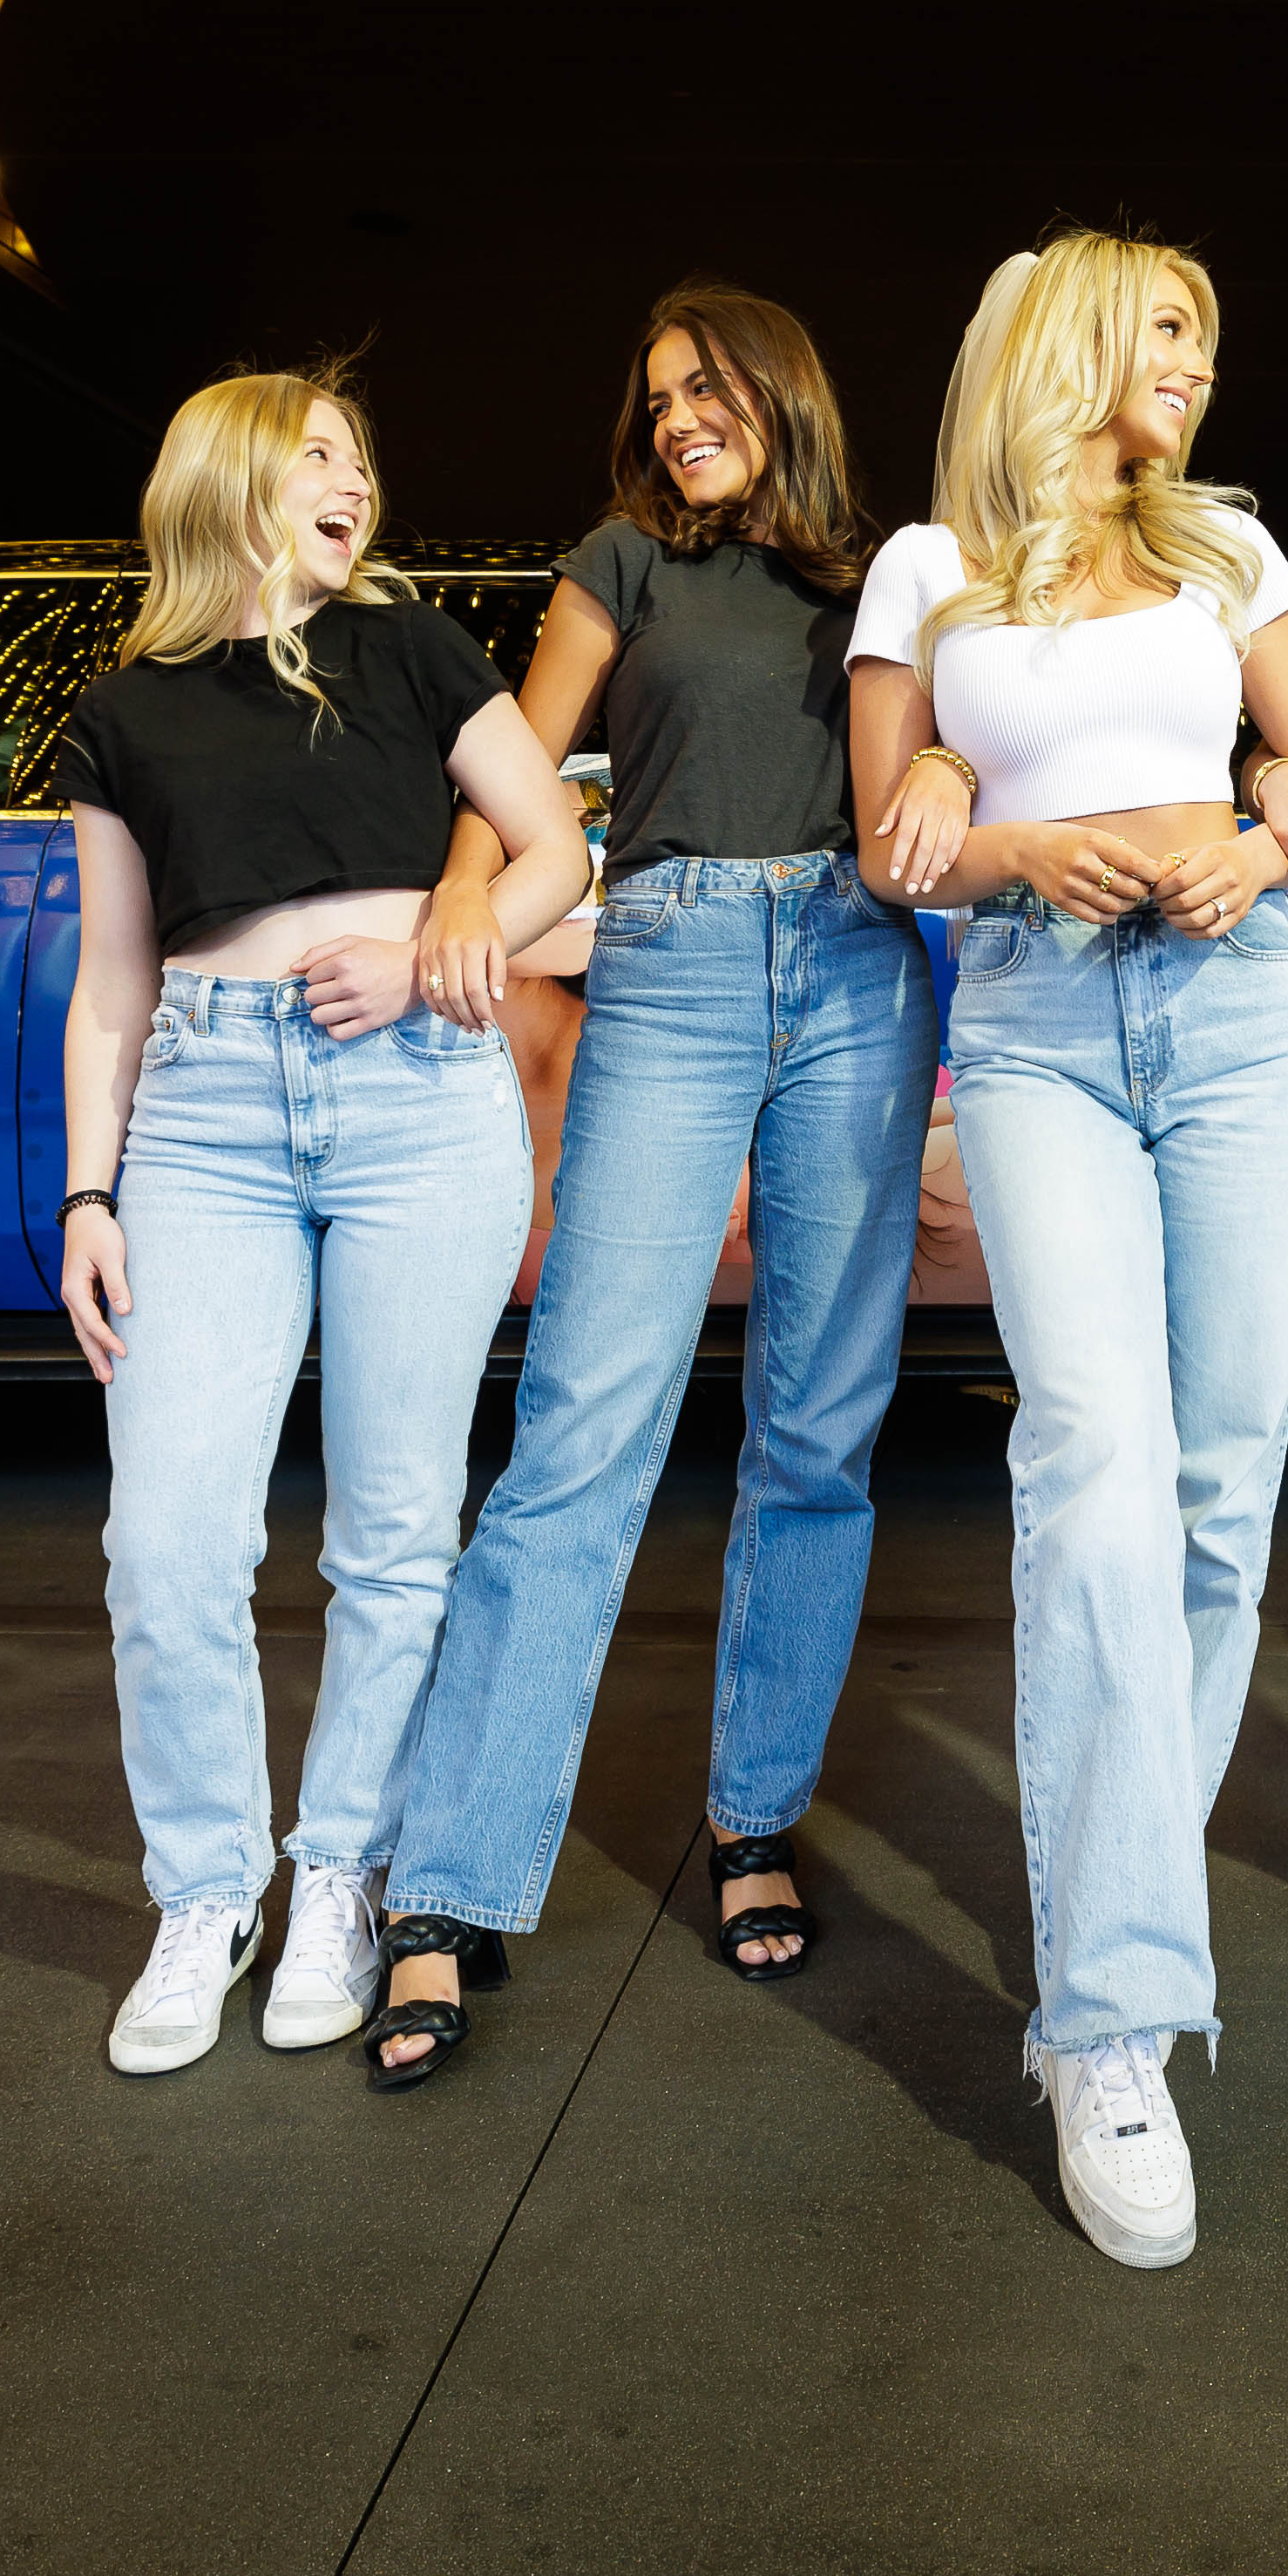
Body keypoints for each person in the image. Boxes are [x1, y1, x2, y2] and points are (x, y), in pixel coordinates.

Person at [850, 231, 1288, 2268]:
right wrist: (1010, 849)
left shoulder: (1234, 550)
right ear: (1062, 341)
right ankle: (1112, 2013)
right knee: (1087, 1464)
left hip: (1245, 1009)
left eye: (1208, 342)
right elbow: (890, 837)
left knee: (1223, 1490)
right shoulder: (928, 566)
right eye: (1167, 328)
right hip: (1043, 1009)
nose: (1194, 368)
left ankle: (1120, 1888)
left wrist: (1260, 833)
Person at [356, 285, 936, 2088]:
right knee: (581, 1425)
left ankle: (754, 1817)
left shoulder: (886, 576)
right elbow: (518, 754)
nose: (682, 413)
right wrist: (466, 888)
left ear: (785, 392)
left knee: (818, 1431)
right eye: (661, 391)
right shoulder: (625, 559)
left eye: (712, 385)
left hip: (859, 970)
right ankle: (448, 1886)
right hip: (675, 961)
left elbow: (945, 752)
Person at [51, 371, 599, 2078]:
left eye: (364, 458)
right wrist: (88, 1191)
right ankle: (204, 1889)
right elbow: (110, 984)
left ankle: (339, 1871)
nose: (352, 480)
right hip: (205, 1113)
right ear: (225, 479)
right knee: (168, 1541)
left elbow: (559, 847)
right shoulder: (122, 709)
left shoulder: (417, 649)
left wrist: (448, 943)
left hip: (419, 1092)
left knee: (390, 1532)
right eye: (316, 457)